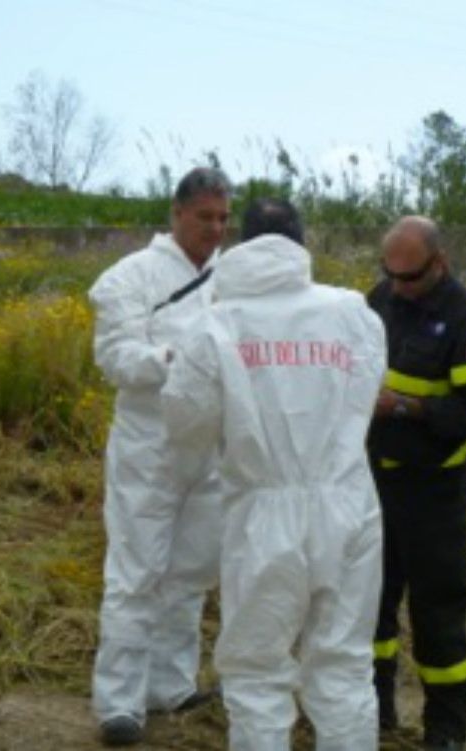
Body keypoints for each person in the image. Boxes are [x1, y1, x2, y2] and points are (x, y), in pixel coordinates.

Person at [160, 198, 388, 750]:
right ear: (300, 243)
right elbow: (364, 393)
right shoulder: (354, 312)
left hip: (264, 512)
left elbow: (185, 423)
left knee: (258, 669)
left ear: (242, 242)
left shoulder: (216, 322)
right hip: (349, 503)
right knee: (343, 665)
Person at [88, 167, 230, 747]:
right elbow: (115, 356)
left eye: (223, 219)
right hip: (150, 447)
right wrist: (177, 361)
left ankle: (169, 686)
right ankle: (118, 702)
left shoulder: (231, 276)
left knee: (192, 570)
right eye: (205, 218)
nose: (215, 230)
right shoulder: (131, 276)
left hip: (212, 448)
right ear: (176, 215)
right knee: (136, 572)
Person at [367, 216, 466, 750]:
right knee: (369, 604)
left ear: (439, 263)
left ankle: (445, 732)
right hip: (375, 480)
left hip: (433, 493)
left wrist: (404, 406)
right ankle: (373, 713)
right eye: (390, 274)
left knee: (437, 613)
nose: (398, 286)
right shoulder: (379, 299)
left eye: (411, 276)